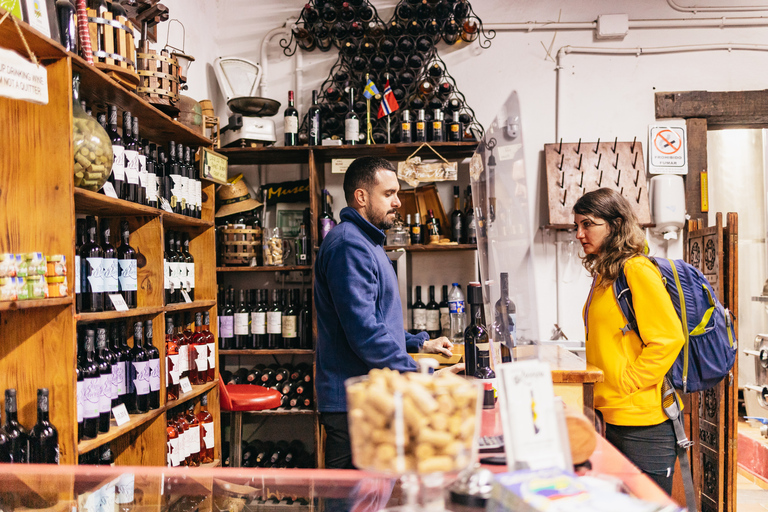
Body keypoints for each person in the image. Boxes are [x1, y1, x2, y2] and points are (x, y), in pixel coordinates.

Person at [314, 156, 461, 469]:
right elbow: (364, 331)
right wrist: (424, 376)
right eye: (389, 194)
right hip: (354, 401)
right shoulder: (348, 245)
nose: (398, 201)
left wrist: (420, 343)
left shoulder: (366, 242)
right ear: (362, 197)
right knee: (355, 503)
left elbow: (375, 319)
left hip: (370, 396)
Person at [574, 188, 684, 494]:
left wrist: (627, 383)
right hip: (611, 417)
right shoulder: (605, 274)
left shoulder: (636, 269)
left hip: (644, 424)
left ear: (615, 224)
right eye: (577, 226)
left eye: (588, 224)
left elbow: (668, 339)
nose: (580, 233)